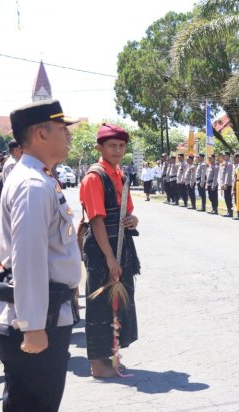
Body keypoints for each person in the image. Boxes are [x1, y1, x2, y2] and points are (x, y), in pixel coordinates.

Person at [0, 99, 81, 411]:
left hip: (46, 314)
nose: (68, 135)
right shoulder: (32, 184)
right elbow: (28, 259)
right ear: (41, 135)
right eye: (62, 128)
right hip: (35, 320)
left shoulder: (40, 177)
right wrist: (32, 326)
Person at [79, 123, 141, 378]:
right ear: (100, 148)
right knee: (101, 305)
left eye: (121, 146)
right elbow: (96, 221)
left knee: (119, 304)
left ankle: (113, 355)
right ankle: (98, 363)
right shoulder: (95, 177)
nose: (117, 150)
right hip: (102, 251)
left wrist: (133, 221)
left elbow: (128, 212)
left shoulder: (121, 175)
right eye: (112, 146)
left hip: (122, 248)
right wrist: (109, 259)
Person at [220, 151, 234, 217]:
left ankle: (230, 212)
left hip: (228, 184)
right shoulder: (224, 163)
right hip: (225, 184)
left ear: (228, 156)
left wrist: (225, 184)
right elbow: (222, 175)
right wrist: (222, 183)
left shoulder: (229, 164)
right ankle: (229, 211)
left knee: (228, 198)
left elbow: (228, 174)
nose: (223, 157)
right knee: (226, 198)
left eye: (224, 155)